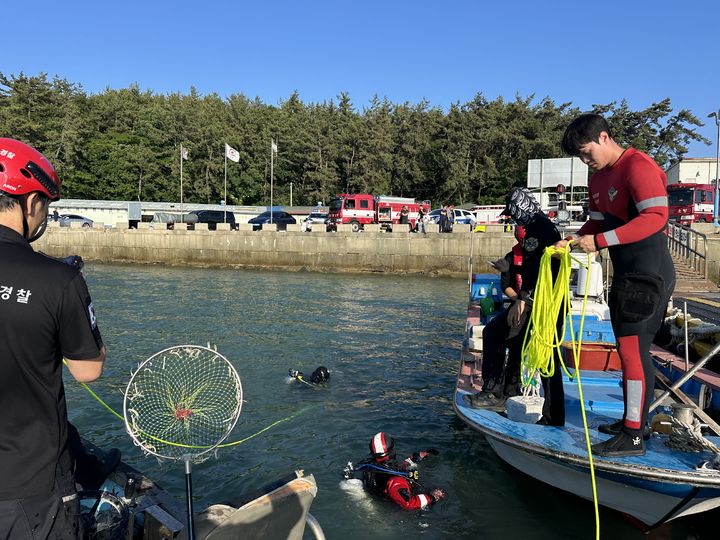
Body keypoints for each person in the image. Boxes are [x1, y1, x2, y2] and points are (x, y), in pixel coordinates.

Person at [0, 138, 107, 539]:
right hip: (30, 491)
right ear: (30, 203)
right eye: (45, 202)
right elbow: (88, 369)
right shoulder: (59, 281)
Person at [558, 113, 675, 457]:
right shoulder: (598, 181)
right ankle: (632, 421)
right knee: (629, 353)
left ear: (604, 137)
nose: (584, 160)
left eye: (586, 152)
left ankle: (634, 435)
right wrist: (573, 240)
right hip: (626, 274)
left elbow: (656, 218)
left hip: (649, 272)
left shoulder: (637, 166)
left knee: (632, 352)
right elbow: (594, 226)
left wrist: (602, 241)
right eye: (579, 156)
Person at [464, 188, 565, 426]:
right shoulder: (546, 227)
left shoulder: (537, 230)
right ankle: (549, 412)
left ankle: (494, 393)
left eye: (514, 213)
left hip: (538, 303)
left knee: (494, 333)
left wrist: (523, 299)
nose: (513, 218)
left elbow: (536, 269)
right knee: (542, 354)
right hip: (548, 303)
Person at [344, 432, 446, 510]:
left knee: (413, 473)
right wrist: (432, 497)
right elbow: (408, 503)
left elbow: (393, 468)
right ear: (392, 451)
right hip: (400, 509)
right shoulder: (395, 480)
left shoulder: (370, 465)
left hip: (382, 495)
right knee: (440, 491)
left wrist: (415, 458)